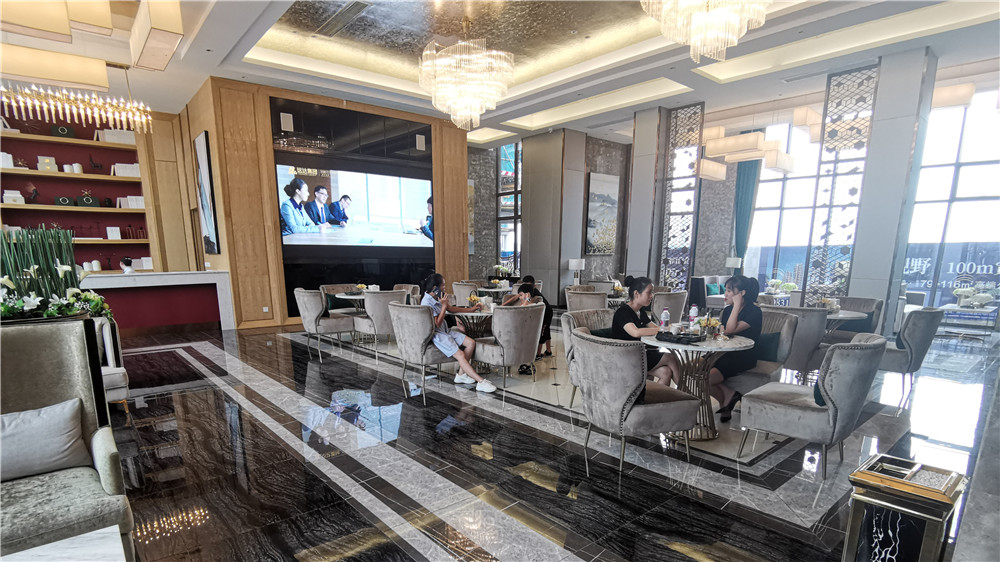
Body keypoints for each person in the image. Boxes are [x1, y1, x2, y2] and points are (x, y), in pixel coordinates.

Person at [420, 273, 496, 393]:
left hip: (445, 331)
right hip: (437, 335)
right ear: (435, 288)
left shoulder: (436, 298)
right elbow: (437, 324)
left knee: (471, 343)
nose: (444, 288)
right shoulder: (427, 303)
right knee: (460, 354)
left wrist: (471, 309)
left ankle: (461, 375)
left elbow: (452, 309)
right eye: (443, 285)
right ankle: (480, 381)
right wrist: (443, 306)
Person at [610, 276, 682, 396]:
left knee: (666, 372)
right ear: (636, 293)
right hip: (627, 357)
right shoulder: (622, 312)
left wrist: (671, 327)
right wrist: (663, 329)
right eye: (649, 292)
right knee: (671, 358)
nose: (651, 296)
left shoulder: (640, 312)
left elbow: (654, 328)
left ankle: (651, 402)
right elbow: (635, 332)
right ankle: (687, 394)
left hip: (639, 354)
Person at [710, 275, 763, 423]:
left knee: (704, 378)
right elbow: (722, 332)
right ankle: (729, 396)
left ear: (741, 293)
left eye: (729, 291)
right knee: (694, 371)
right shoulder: (727, 310)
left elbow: (730, 330)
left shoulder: (754, 312)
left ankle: (727, 401)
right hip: (724, 352)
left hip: (743, 356)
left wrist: (737, 305)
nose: (725, 294)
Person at [502, 276, 553, 360]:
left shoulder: (532, 293)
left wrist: (527, 300)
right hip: (542, 311)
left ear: (533, 286)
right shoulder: (525, 290)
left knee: (542, 331)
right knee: (546, 331)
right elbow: (515, 297)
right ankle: (548, 351)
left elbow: (527, 303)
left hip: (547, 312)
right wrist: (502, 305)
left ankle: (538, 354)